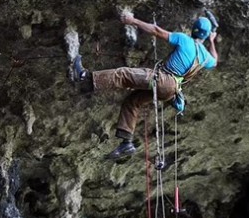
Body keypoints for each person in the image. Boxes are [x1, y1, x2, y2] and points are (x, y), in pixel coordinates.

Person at [73, 11, 218, 160]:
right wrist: (212, 41)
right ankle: (126, 142)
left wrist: (133, 20)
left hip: (162, 78)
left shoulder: (184, 39)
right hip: (171, 90)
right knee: (132, 101)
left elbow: (157, 31)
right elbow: (215, 60)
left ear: (193, 28)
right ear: (205, 36)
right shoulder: (206, 57)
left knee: (123, 74)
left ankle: (84, 77)